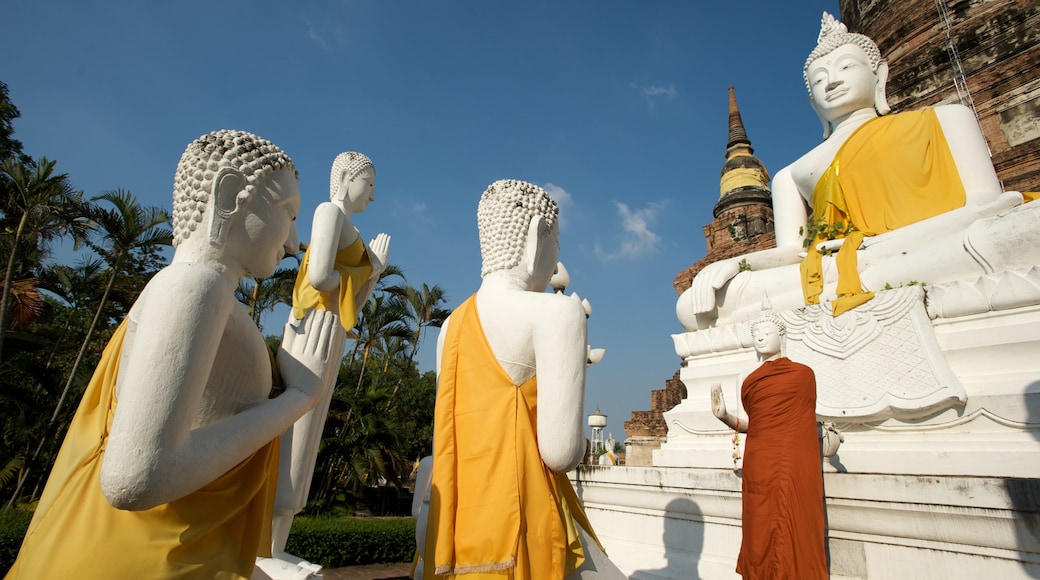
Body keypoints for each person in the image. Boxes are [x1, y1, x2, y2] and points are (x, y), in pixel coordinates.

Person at [7, 130, 345, 579]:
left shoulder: (207, 293)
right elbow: (136, 477)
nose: (293, 242)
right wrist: (298, 398)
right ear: (228, 195)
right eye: (288, 215)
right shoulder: (194, 286)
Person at [678, 12, 1036, 331]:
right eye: (820, 79)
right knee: (695, 305)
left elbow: (987, 207)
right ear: (812, 102)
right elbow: (792, 252)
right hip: (839, 267)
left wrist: (875, 248)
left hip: (929, 246)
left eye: (846, 67)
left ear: (879, 76)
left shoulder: (946, 118)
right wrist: (736, 266)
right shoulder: (792, 173)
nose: (832, 82)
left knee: (1020, 231)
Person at [420, 179, 623, 580]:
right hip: (522, 515)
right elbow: (561, 452)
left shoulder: (450, 326)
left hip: (459, 524)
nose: (558, 257)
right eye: (557, 243)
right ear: (534, 239)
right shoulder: (557, 312)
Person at [258, 152, 390, 578]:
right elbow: (318, 278)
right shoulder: (329, 211)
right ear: (349, 178)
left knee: (309, 434)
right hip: (312, 325)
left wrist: (374, 272)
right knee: (293, 431)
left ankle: (278, 544)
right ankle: (262, 546)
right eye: (368, 184)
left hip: (330, 328)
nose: (372, 195)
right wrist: (361, 273)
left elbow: (353, 305)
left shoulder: (349, 223)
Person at [710, 308, 827, 579]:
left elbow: (799, 422)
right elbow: (757, 424)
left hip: (794, 461)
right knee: (760, 524)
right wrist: (725, 417)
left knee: (797, 518)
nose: (760, 338)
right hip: (760, 461)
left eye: (767, 332)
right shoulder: (748, 379)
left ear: (782, 335)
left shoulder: (803, 375)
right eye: (755, 334)